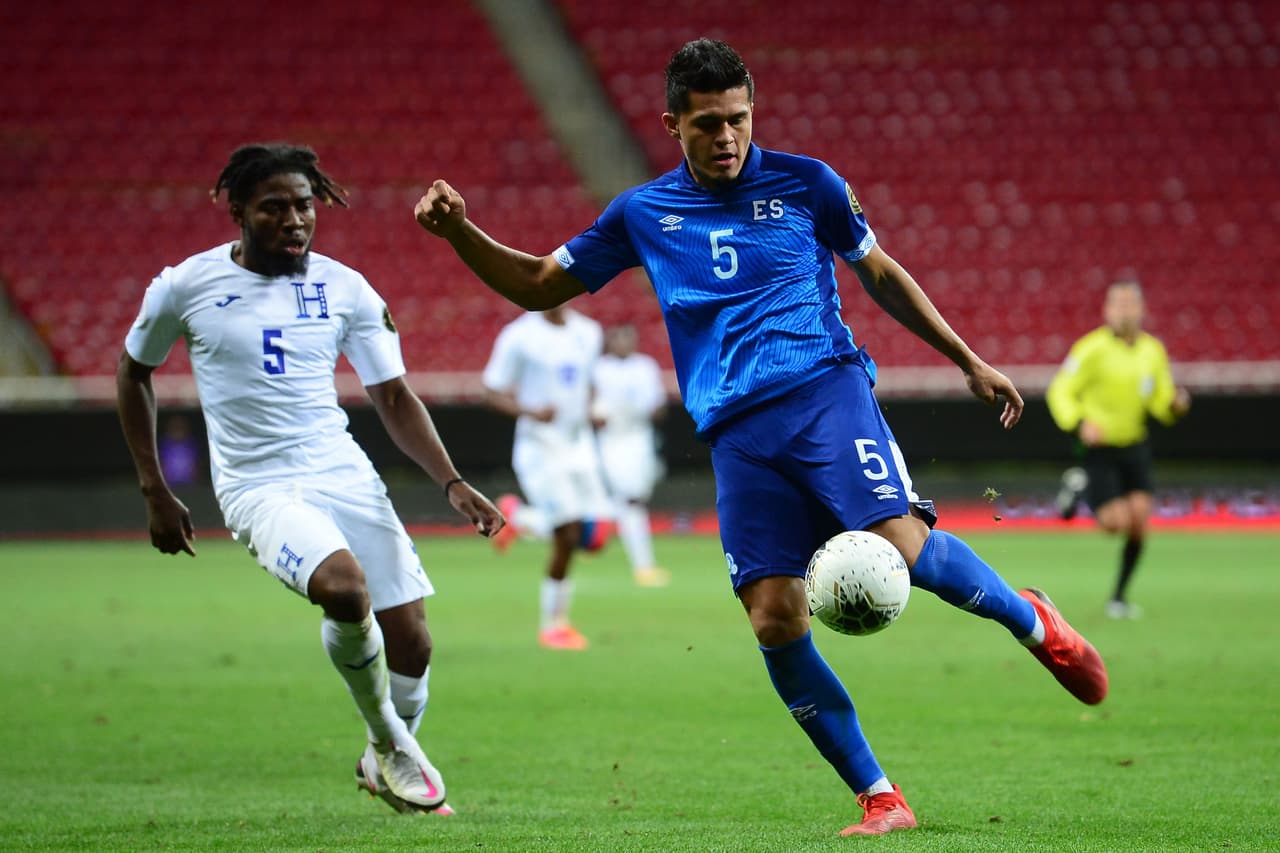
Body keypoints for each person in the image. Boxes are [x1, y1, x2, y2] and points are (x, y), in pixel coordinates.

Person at [414, 39, 1108, 836]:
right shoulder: (642, 213)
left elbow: (878, 270)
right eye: (708, 124)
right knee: (775, 618)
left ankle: (1034, 622)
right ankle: (882, 796)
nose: (727, 138)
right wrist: (462, 233)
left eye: (738, 119)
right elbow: (538, 283)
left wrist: (967, 360)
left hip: (825, 395)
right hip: (738, 436)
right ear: (673, 124)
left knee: (905, 550)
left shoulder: (808, 184)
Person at [117, 142, 504, 816]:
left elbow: (393, 396)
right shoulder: (186, 286)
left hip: (342, 469)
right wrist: (154, 486)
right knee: (344, 588)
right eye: (275, 208)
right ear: (238, 211)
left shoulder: (346, 287)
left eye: (304, 205)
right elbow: (133, 373)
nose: (295, 219)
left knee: (412, 638)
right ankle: (388, 741)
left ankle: (378, 758)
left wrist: (451, 481)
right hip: (259, 485)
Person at [1046, 281, 1191, 618]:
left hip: (1135, 443)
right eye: (1118, 304)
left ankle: (1119, 597)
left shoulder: (1152, 350)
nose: (1125, 310)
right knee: (1114, 523)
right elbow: (1061, 390)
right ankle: (1079, 486)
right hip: (1101, 447)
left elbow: (1159, 401)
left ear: (1141, 310)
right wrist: (1080, 422)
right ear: (1107, 310)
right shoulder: (1091, 348)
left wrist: (1174, 406)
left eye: (1130, 304)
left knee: (1140, 523)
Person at [481, 305, 615, 650]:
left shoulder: (588, 331)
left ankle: (517, 516)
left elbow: (591, 383)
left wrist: (594, 410)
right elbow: (492, 389)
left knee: (596, 536)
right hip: (540, 447)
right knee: (567, 533)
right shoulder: (519, 335)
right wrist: (529, 411)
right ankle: (554, 625)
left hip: (579, 445)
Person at [591, 323, 671, 588]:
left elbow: (658, 407)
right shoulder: (598, 368)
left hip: (639, 438)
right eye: (619, 337)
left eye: (629, 337)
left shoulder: (644, 367)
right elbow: (587, 405)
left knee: (626, 502)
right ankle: (644, 567)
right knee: (629, 501)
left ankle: (523, 518)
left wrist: (649, 410)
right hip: (612, 440)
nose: (624, 343)